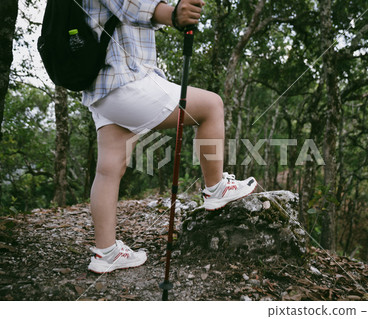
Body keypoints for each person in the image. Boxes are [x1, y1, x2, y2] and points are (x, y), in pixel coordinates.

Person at [82, 0, 257, 274]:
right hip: (127, 80)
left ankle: (106, 252)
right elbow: (131, 6)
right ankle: (216, 188)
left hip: (102, 86)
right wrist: (173, 15)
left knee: (109, 167)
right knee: (212, 106)